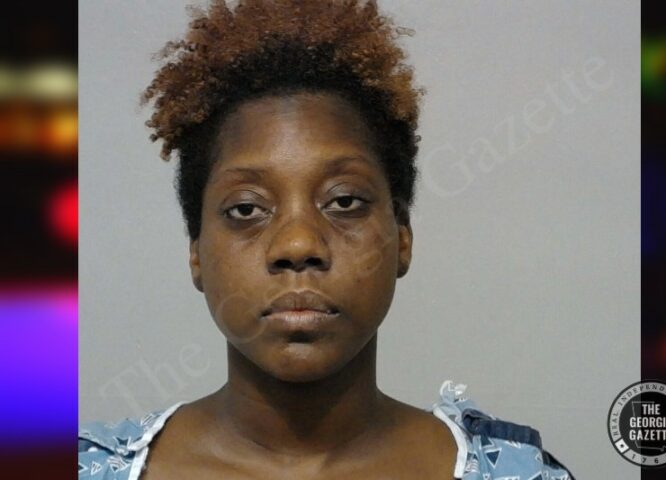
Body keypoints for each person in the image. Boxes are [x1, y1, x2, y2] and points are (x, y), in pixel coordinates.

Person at [79, 1, 574, 478]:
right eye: (246, 209)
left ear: (402, 237)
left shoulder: (516, 474)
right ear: (197, 252)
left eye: (344, 202)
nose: (298, 245)